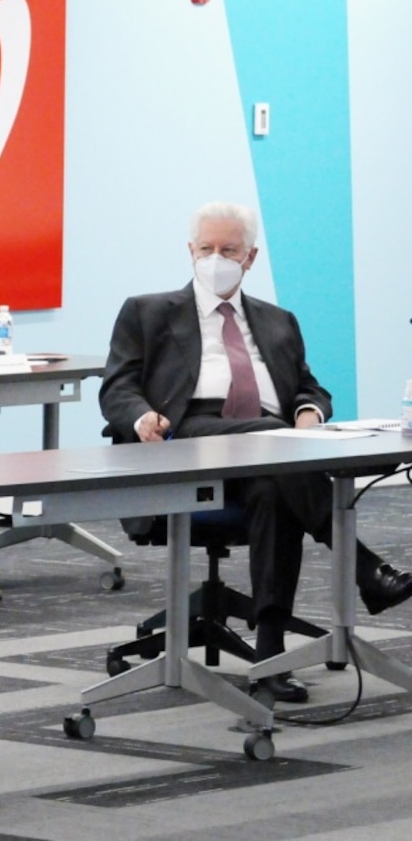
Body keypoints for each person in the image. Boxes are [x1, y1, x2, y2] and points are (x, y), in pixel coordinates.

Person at [101, 200, 412, 703]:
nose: (216, 258)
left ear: (250, 258)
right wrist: (142, 418)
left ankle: (270, 655)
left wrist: (309, 412)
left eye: (229, 249)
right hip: (187, 441)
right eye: (207, 249)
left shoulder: (278, 321)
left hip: (268, 454)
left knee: (273, 487)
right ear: (190, 252)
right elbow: (117, 388)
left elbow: (311, 389)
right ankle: (366, 570)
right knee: (273, 441)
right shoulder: (148, 311)